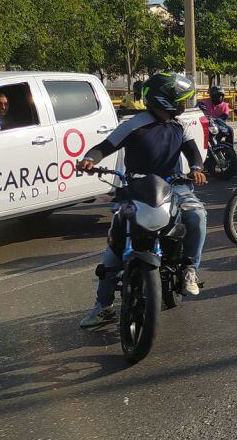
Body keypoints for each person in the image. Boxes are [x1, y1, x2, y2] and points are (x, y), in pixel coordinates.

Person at [78, 72, 208, 328]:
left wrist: (196, 167)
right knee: (115, 246)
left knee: (197, 214)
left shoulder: (178, 127)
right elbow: (105, 146)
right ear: (165, 101)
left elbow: (193, 153)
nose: (184, 106)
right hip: (135, 187)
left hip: (172, 186)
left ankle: (190, 268)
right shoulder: (134, 124)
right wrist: (90, 159)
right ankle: (102, 306)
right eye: (181, 101)